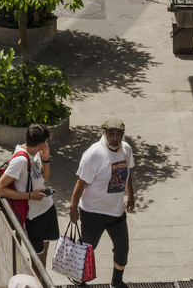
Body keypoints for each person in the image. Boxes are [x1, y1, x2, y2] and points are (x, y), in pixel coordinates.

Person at [69, 117, 136, 288]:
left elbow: (127, 172)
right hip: (93, 213)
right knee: (87, 250)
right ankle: (79, 279)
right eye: (111, 134)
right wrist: (73, 208)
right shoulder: (93, 154)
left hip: (117, 213)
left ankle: (117, 281)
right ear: (104, 133)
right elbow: (80, 183)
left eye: (118, 135)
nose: (115, 138)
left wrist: (131, 196)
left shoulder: (126, 150)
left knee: (122, 248)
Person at [0, 124, 59, 265]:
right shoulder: (20, 160)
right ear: (41, 143)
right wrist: (30, 196)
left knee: (43, 254)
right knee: (37, 258)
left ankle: (42, 281)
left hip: (46, 208)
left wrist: (46, 158)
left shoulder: (36, 153)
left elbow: (45, 178)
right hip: (33, 216)